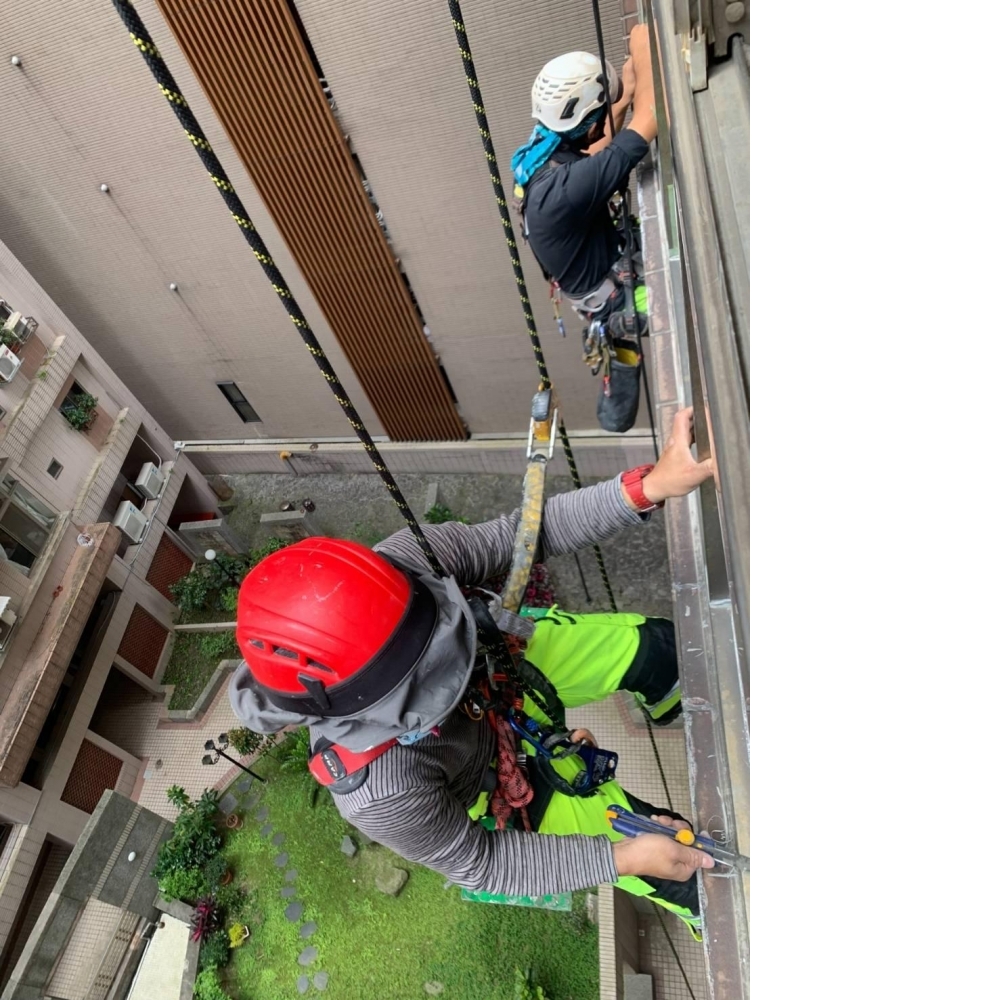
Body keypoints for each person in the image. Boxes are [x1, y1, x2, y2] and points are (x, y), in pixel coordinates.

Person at [229, 409, 715, 935]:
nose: (443, 676)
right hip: (504, 783)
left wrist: (648, 487)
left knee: (657, 646)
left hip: (500, 665)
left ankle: (669, 701)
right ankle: (689, 893)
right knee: (680, 866)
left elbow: (520, 538)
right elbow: (485, 862)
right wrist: (621, 859)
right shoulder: (379, 788)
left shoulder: (406, 561)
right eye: (425, 680)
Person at [511, 24, 659, 432]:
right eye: (604, 109)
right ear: (587, 118)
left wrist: (625, 93)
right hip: (620, 299)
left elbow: (594, 150)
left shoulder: (543, 153)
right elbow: (650, 119)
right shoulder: (561, 192)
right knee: (689, 296)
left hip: (602, 287)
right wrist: (644, 40)